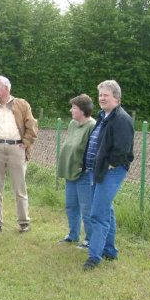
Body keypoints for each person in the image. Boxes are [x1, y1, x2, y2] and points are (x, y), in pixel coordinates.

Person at [82, 80, 134, 271]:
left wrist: (109, 165)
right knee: (106, 211)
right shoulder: (103, 116)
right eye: (100, 95)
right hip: (97, 170)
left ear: (117, 98)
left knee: (98, 214)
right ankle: (110, 251)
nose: (102, 98)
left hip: (110, 171)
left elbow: (122, 149)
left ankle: (94, 256)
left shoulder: (122, 119)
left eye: (106, 95)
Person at [0, 75, 38, 233]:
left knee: (20, 188)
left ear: (6, 88)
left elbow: (32, 127)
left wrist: (25, 143)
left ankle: (24, 222)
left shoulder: (22, 104)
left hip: (16, 149)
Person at [56, 94, 96, 249]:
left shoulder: (92, 126)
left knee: (86, 207)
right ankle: (73, 235)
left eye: (74, 108)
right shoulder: (73, 124)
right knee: (71, 205)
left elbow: (91, 150)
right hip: (70, 170)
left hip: (84, 173)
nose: (71, 110)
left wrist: (84, 166)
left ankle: (90, 239)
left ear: (83, 110)